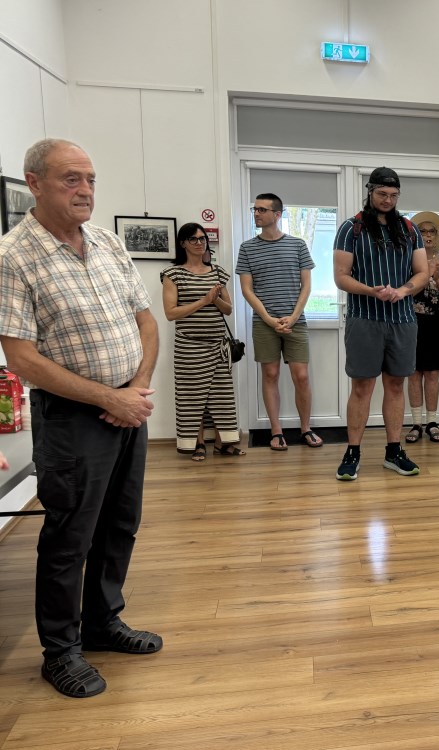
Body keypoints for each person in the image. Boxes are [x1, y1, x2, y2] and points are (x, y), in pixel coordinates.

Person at [0, 138, 161, 698]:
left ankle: (101, 622)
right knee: (70, 535)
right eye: (71, 179)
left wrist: (134, 390)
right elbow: (22, 359)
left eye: (90, 179)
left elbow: (146, 323)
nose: (86, 190)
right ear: (34, 183)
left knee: (119, 524)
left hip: (128, 408)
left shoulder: (108, 242)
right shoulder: (14, 256)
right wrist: (106, 398)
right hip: (72, 419)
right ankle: (61, 651)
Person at [333, 167, 429, 480]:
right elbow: (341, 277)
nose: (388, 200)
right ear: (370, 192)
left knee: (396, 385)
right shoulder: (351, 228)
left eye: (393, 195)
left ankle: (393, 451)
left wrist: (403, 290)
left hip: (403, 320)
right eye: (382, 194)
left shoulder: (409, 229)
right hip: (364, 319)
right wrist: (371, 290)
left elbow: (422, 272)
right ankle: (352, 452)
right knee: (362, 387)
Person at [236, 192, 322, 451]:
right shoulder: (247, 248)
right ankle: (276, 431)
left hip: (296, 321)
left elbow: (306, 286)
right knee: (270, 374)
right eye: (255, 209)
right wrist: (268, 319)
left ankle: (305, 429)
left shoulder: (298, 245)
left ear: (277, 214)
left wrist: (293, 317)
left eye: (262, 210)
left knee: (301, 376)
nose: (256, 214)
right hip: (264, 323)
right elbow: (247, 289)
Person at [161, 222, 244, 459]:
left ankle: (223, 443)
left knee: (221, 395)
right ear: (183, 243)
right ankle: (197, 444)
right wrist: (204, 300)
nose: (199, 243)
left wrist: (215, 300)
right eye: (194, 239)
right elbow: (171, 313)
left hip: (218, 345)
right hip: (189, 346)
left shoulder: (218, 272)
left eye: (202, 238)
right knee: (192, 396)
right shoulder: (173, 274)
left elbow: (228, 310)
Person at [405, 211, 439, 444]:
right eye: (422, 231)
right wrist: (425, 275)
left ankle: (432, 422)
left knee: (433, 373)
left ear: (437, 235)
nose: (427, 235)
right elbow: (405, 292)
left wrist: (438, 277)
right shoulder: (408, 259)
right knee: (414, 373)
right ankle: (416, 423)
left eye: (431, 231)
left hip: (436, 323)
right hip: (411, 322)